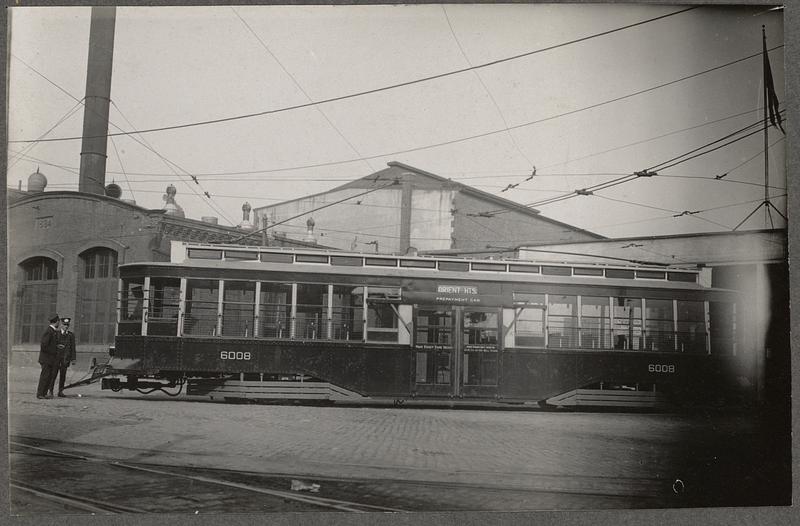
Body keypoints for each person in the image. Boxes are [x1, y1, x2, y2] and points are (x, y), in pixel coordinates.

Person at [48, 317, 76, 398]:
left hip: (65, 359)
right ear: (61, 325)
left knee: (63, 376)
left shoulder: (71, 335)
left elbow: (73, 348)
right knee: (53, 375)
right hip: (56, 359)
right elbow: (52, 345)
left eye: (67, 325)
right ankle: (50, 391)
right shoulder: (56, 333)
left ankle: (60, 391)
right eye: (64, 325)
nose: (66, 326)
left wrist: (73, 359)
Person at [36, 315, 61, 399]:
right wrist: (54, 351)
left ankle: (44, 393)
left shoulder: (52, 331)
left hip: (49, 359)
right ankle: (40, 394)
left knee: (48, 376)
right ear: (56, 321)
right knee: (45, 376)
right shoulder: (49, 331)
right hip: (46, 359)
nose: (59, 323)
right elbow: (44, 346)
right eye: (58, 321)